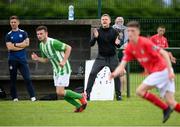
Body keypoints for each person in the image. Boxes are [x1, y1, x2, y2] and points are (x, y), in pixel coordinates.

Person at [110, 21, 180, 123]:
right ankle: (166, 108)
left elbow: (164, 54)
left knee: (140, 91)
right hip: (160, 73)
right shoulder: (129, 47)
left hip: (162, 70)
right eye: (128, 31)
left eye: (132, 31)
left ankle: (165, 108)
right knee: (172, 102)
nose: (130, 33)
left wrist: (170, 72)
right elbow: (122, 65)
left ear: (138, 32)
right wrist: (114, 74)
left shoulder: (145, 42)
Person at [31, 26, 87, 112]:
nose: (39, 36)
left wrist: (64, 61)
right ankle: (78, 106)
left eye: (41, 33)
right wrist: (37, 58)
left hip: (64, 68)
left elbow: (68, 48)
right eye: (38, 34)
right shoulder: (41, 45)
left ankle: (81, 96)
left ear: (46, 33)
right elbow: (46, 59)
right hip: (56, 71)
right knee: (60, 93)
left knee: (60, 92)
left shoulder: (53, 42)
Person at [85, 14, 122, 101]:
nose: (104, 21)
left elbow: (118, 44)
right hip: (101, 58)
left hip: (112, 57)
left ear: (109, 21)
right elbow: (91, 44)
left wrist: (117, 43)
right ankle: (87, 94)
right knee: (92, 73)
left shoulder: (114, 31)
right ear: (101, 21)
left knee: (116, 75)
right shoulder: (97, 31)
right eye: (102, 19)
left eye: (106, 19)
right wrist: (95, 37)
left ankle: (118, 96)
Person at [5, 16, 36, 101]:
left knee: (27, 78)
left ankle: (33, 97)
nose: (13, 24)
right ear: (10, 23)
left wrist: (15, 44)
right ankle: (15, 97)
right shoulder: (8, 35)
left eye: (15, 22)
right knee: (13, 79)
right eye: (11, 22)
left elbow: (27, 43)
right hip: (12, 60)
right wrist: (20, 45)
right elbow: (10, 47)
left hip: (22, 60)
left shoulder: (23, 33)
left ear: (18, 22)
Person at [113, 17, 128, 94]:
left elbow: (126, 41)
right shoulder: (112, 28)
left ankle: (123, 91)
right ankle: (119, 91)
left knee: (122, 72)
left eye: (121, 20)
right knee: (117, 71)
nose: (120, 21)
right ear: (115, 21)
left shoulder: (125, 29)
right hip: (113, 51)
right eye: (118, 20)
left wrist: (125, 49)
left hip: (121, 51)